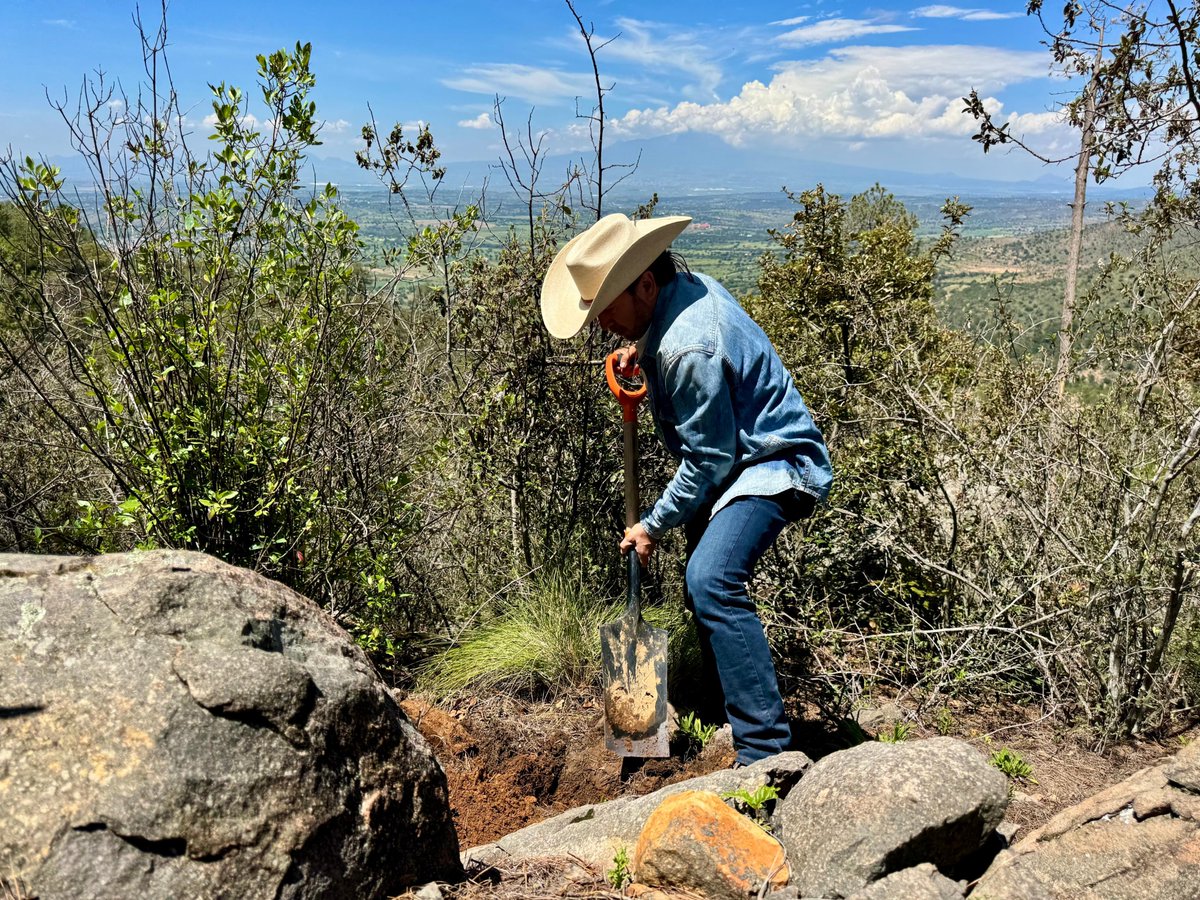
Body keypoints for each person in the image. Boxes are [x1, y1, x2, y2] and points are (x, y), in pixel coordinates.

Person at [541, 212, 832, 766]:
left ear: (646, 284)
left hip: (773, 464)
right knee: (701, 587)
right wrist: (643, 347)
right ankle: (726, 711)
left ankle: (765, 756)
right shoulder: (680, 293)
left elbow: (707, 460)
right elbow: (676, 353)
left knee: (711, 581)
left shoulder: (689, 347)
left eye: (607, 306)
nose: (601, 322)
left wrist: (650, 525)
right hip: (735, 464)